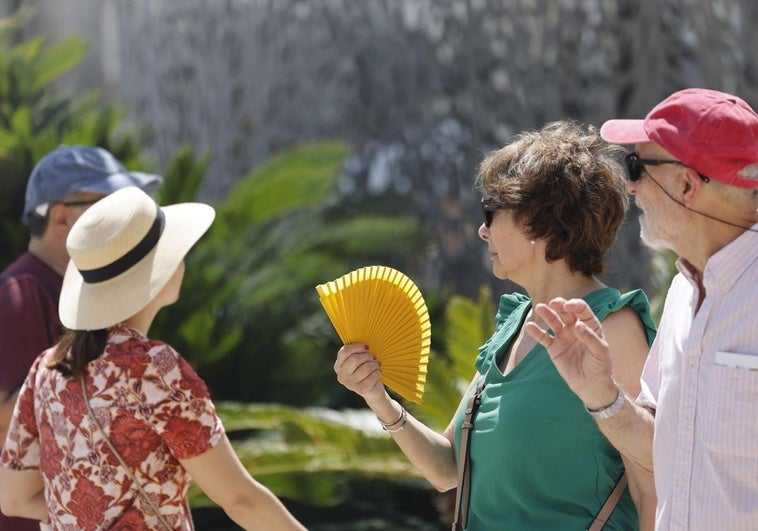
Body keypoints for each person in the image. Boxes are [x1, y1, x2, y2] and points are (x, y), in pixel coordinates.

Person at [334, 121, 658, 530]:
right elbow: (446, 469)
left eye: (492, 211)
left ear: (539, 223)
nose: (482, 229)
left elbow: (652, 487)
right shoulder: (513, 324)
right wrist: (377, 396)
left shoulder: (614, 326)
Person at [0, 186, 306, 530]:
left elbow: (14, 498)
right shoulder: (153, 370)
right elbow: (240, 499)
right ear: (158, 272)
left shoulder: (47, 368)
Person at [525, 88, 758, 530]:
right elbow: (661, 449)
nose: (630, 185)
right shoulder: (681, 295)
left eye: (636, 167)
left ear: (686, 185)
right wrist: (600, 394)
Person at [0, 145, 162, 531]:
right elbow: (4, 418)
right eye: (110, 206)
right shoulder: (21, 293)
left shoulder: (76, 292)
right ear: (60, 218)